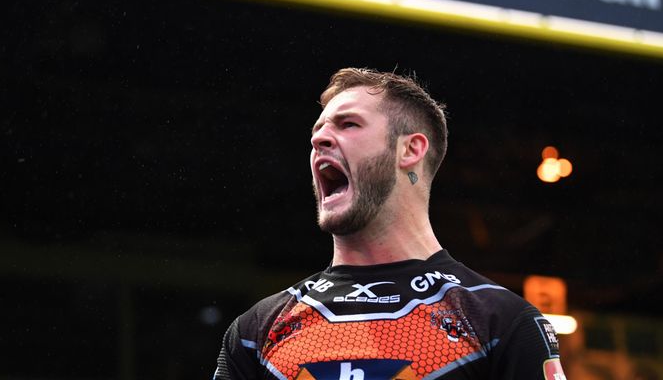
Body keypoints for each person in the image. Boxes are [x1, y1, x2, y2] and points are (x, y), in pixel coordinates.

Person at [213, 68, 567, 380]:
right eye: (317, 130)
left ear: (410, 150)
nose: (318, 139)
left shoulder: (500, 323)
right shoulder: (255, 331)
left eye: (348, 124)